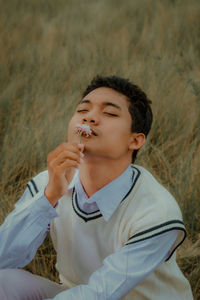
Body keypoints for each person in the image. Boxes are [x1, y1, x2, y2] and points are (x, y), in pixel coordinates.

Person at [0, 75, 193, 300]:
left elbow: (99, 293)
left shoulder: (156, 211)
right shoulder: (49, 181)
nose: (90, 118)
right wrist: (50, 195)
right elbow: (4, 258)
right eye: (83, 111)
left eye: (109, 113)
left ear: (136, 141)